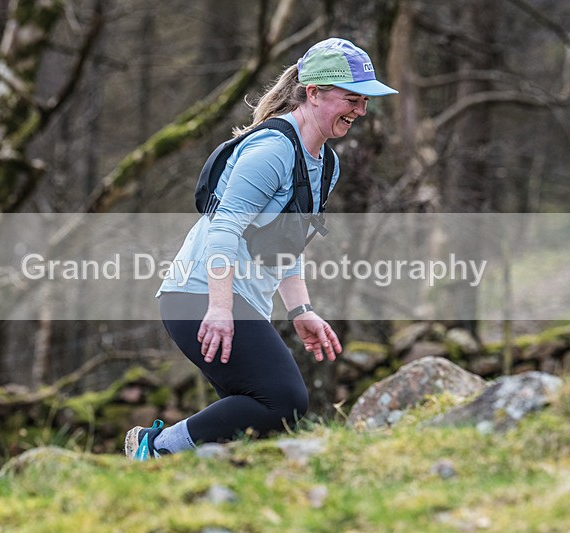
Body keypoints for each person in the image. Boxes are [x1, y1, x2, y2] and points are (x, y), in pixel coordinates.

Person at [125, 38, 397, 460]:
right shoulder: (272, 149)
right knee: (284, 401)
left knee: (256, 421)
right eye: (351, 99)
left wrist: (300, 310)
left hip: (237, 299)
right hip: (199, 295)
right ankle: (155, 447)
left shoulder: (325, 164)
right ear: (313, 93)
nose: (360, 111)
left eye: (364, 101)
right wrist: (219, 308)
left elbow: (285, 246)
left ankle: (203, 480)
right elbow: (223, 229)